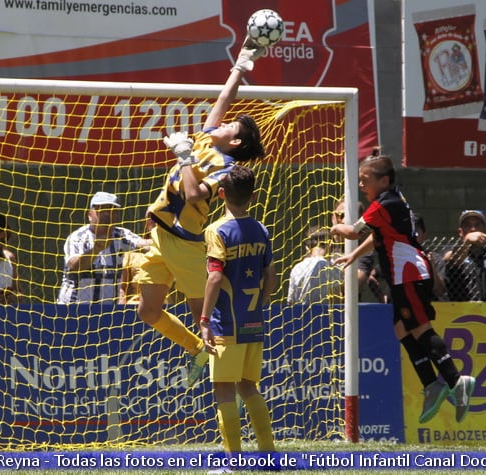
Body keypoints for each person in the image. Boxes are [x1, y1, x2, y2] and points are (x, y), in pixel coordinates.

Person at [135, 38, 268, 387]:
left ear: (235, 143)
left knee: (205, 317)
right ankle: (196, 350)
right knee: (147, 311)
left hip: (185, 244)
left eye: (229, 127)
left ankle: (235, 384)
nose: (220, 124)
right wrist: (239, 67)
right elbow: (223, 100)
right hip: (158, 236)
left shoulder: (224, 168)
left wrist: (184, 156)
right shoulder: (209, 138)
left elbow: (194, 194)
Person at [332, 147, 475, 424]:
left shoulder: (384, 203)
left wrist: (336, 227)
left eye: (365, 179)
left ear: (383, 181)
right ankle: (432, 385)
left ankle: (457, 381)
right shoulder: (390, 201)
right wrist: (353, 254)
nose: (361, 185)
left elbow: (351, 231)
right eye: (360, 179)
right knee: (401, 329)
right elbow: (377, 237)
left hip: (408, 272)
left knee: (420, 328)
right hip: (402, 274)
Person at [199, 165, 278, 458]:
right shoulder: (261, 229)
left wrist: (204, 320)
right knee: (249, 387)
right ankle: (269, 455)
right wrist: (260, 304)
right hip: (253, 321)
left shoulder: (217, 230)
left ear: (221, 194)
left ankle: (232, 462)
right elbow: (272, 275)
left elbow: (216, 277)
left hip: (226, 323)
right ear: (253, 196)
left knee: (223, 390)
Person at [58, 192, 151, 304]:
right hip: (74, 310)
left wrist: (167, 241)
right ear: (90, 215)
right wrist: (96, 249)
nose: (107, 214)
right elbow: (74, 266)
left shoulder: (121, 235)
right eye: (101, 210)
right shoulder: (78, 237)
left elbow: (144, 245)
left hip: (108, 312)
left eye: (111, 210)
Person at [287, 226, 342, 305]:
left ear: (307, 248)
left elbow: (290, 302)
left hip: (301, 315)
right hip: (325, 315)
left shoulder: (297, 268)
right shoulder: (333, 269)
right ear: (330, 245)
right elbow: (338, 301)